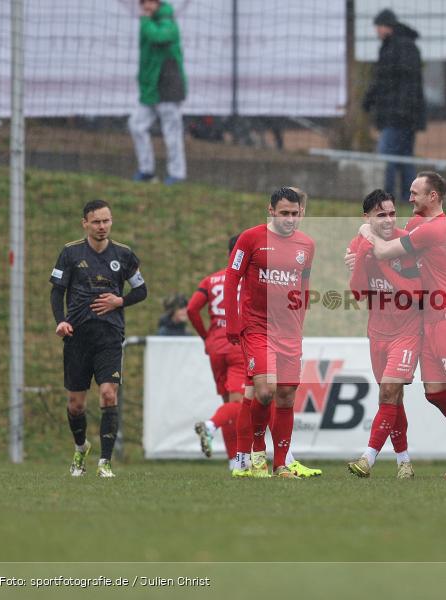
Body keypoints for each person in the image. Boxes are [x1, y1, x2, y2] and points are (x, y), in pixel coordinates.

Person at [356, 172, 446, 479]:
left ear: (433, 196)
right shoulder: (419, 224)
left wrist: (365, 230)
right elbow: (398, 247)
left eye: (415, 193)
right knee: (435, 393)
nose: (410, 197)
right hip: (430, 318)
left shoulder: (435, 228)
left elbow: (384, 250)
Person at [50, 199, 148, 478]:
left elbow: (141, 290)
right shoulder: (70, 253)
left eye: (106, 221)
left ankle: (105, 462)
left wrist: (120, 300)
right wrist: (61, 321)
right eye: (96, 222)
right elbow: (57, 292)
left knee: (108, 394)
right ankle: (81, 448)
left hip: (110, 336)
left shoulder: (124, 254)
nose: (102, 226)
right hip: (77, 336)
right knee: (76, 404)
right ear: (85, 224)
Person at [224, 187, 314, 479]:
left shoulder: (306, 245)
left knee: (286, 396)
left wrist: (300, 321)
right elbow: (231, 278)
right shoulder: (250, 238)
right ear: (271, 210)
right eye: (284, 213)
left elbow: (303, 286)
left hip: (289, 331)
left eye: (295, 213)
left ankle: (281, 464)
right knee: (264, 391)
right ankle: (258, 452)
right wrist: (233, 323)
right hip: (257, 327)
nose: (290, 219)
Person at [345, 190, 421, 479]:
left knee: (388, 391)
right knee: (393, 399)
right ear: (367, 218)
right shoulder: (358, 244)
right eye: (381, 215)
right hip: (377, 334)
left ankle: (368, 458)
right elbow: (358, 292)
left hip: (408, 332)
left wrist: (380, 262)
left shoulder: (406, 242)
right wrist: (363, 257)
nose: (389, 220)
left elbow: (415, 293)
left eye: (392, 213)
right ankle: (404, 461)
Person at [187, 235, 247, 470]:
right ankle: (210, 426)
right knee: (239, 404)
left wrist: (206, 336)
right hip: (239, 347)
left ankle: (234, 462)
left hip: (216, 348)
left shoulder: (211, 280)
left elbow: (192, 309)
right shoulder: (250, 280)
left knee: (228, 406)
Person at [362, 9, 426, 202]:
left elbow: (388, 80)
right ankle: (411, 198)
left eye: (378, 27)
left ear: (387, 26)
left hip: (396, 114)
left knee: (387, 156)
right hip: (407, 114)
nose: (377, 31)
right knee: (405, 158)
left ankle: (386, 199)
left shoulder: (396, 48)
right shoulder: (404, 46)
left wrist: (371, 100)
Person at [129, 0, 187, 184]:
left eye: (150, 2)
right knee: (136, 125)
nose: (146, 6)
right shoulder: (149, 22)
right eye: (144, 2)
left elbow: (159, 37)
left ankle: (177, 174)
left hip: (168, 87)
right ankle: (146, 171)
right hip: (151, 89)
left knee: (171, 132)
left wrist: (145, 21)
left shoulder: (167, 21)